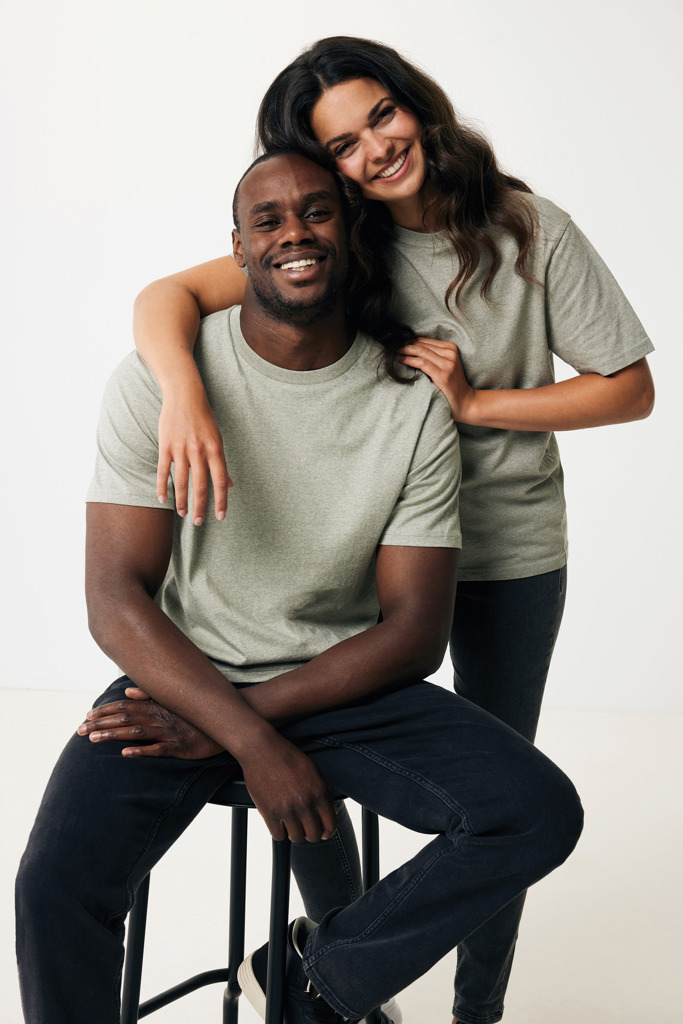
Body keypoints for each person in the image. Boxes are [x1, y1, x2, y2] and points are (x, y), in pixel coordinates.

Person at [129, 36, 654, 1024]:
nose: (374, 149)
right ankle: (341, 983)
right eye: (342, 145)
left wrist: (478, 404)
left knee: (504, 804)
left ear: (417, 106)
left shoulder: (530, 230)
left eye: (381, 116)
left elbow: (627, 388)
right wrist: (181, 393)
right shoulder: (342, 242)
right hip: (365, 548)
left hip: (505, 553)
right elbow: (167, 297)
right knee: (311, 737)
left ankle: (473, 1012)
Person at [15, 151, 583, 1024]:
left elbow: (415, 633)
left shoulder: (410, 399)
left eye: (317, 213)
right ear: (237, 249)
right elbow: (115, 597)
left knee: (534, 812)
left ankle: (316, 979)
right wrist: (243, 735)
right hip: (182, 681)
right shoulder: (160, 382)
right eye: (269, 220)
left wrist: (249, 726)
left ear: (352, 233)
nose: (294, 234)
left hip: (344, 683)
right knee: (53, 889)